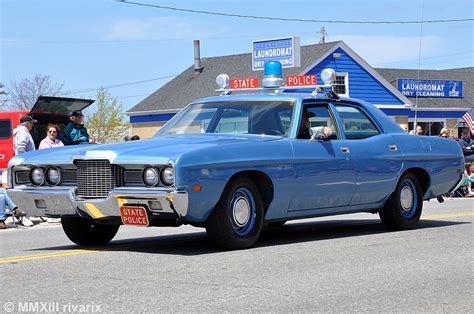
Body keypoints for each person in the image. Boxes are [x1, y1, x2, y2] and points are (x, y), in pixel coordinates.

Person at [12, 115, 35, 226]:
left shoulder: (21, 132)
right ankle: (25, 216)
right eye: (31, 123)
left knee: (24, 191)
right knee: (25, 191)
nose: (33, 124)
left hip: (22, 166)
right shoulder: (23, 133)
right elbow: (20, 148)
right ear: (26, 123)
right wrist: (26, 161)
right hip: (24, 166)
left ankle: (25, 215)